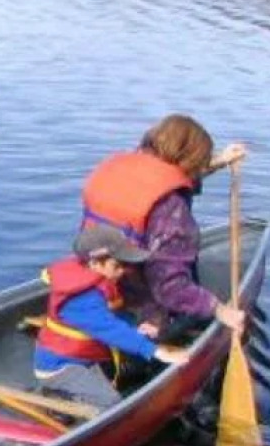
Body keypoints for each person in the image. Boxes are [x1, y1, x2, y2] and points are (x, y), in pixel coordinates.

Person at [80, 113, 247, 336]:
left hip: (93, 281)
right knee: (180, 313)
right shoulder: (171, 208)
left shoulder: (120, 166)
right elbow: (170, 287)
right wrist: (219, 309)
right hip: (139, 301)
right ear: (191, 160)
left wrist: (218, 161)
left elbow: (166, 177)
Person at [33, 226, 192, 408]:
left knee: (135, 362)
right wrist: (155, 351)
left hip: (86, 357)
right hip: (61, 368)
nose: (122, 271)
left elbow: (113, 317)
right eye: (117, 265)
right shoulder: (80, 299)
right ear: (95, 264)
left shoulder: (100, 283)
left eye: (124, 265)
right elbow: (109, 329)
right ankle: (56, 398)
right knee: (110, 403)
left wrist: (136, 329)